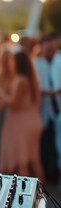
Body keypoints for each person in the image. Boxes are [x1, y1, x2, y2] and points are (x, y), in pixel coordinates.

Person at [0, 51, 45, 179]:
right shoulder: (31, 79)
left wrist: (0, 92)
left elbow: (14, 103)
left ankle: (26, 196)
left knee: (22, 162)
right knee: (34, 160)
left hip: (22, 125)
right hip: (32, 121)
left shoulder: (20, 80)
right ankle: (43, 195)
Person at [34, 33, 61, 183]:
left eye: (52, 45)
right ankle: (51, 173)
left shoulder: (60, 61)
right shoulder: (36, 64)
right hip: (44, 110)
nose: (50, 48)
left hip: (58, 107)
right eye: (47, 45)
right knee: (46, 143)